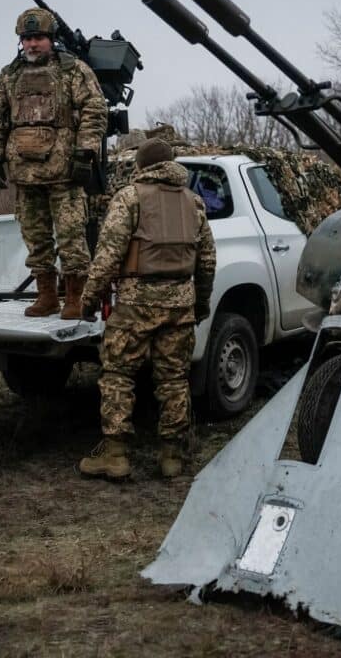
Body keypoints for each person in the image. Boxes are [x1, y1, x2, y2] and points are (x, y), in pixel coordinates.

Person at [78, 138, 216, 479]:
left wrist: (89, 299)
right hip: (180, 305)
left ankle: (115, 455)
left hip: (136, 305)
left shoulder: (130, 197)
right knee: (173, 379)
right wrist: (200, 303)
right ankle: (171, 456)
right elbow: (208, 261)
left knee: (118, 376)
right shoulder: (194, 202)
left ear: (141, 165)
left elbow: (108, 254)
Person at [0, 7, 107, 320]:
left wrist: (85, 153)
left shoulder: (72, 70)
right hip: (25, 174)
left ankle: (76, 298)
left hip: (63, 173)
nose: (32, 44)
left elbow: (95, 110)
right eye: (27, 38)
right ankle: (47, 296)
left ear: (50, 39)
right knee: (35, 240)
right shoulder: (9, 75)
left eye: (38, 37)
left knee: (71, 238)